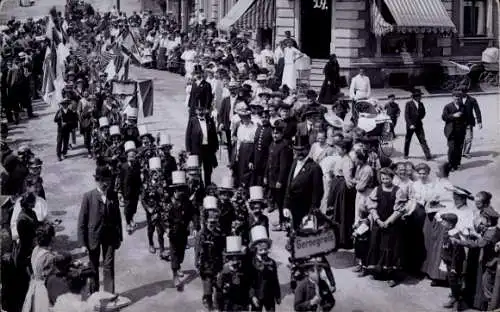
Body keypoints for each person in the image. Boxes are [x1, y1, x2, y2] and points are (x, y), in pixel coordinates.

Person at [77, 166, 123, 294]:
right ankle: (95, 295)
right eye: (102, 180)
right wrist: (82, 243)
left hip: (110, 237)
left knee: (109, 266)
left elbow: (118, 217)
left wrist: (119, 237)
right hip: (93, 238)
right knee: (93, 267)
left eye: (107, 180)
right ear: (96, 181)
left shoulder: (113, 195)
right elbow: (82, 221)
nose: (105, 183)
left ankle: (109, 294)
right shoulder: (88, 197)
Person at [366, 167, 406, 287]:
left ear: (392, 178)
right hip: (379, 224)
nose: (385, 180)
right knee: (376, 245)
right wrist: (377, 219)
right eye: (382, 178)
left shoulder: (398, 191)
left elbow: (399, 210)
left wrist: (388, 222)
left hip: (392, 225)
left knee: (390, 248)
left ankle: (392, 276)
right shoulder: (376, 189)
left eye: (387, 178)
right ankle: (378, 273)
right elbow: (372, 206)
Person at [166, 170, 200, 291]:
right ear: (174, 190)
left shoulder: (187, 201)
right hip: (173, 232)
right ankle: (175, 275)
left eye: (183, 189)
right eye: (179, 189)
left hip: (184, 231)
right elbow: (163, 217)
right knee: (174, 252)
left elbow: (194, 214)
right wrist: (166, 229)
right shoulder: (168, 202)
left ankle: (178, 265)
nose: (181, 192)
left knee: (181, 253)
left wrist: (195, 226)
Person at [284, 135, 324, 230]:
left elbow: (317, 193)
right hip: (292, 210)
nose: (299, 153)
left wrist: (311, 213)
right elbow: (289, 185)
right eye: (297, 150)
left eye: (302, 149)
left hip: (305, 211)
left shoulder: (314, 168)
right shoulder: (294, 162)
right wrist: (286, 205)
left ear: (308, 149)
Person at [195, 196, 224, 310]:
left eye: (215, 222)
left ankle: (217, 301)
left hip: (217, 264)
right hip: (205, 265)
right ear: (206, 221)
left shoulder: (219, 234)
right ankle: (207, 300)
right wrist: (197, 264)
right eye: (210, 222)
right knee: (207, 288)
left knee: (218, 286)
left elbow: (222, 249)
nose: (212, 225)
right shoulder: (201, 235)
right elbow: (197, 250)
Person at [327, 139, 356, 248]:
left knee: (340, 211)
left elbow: (348, 179)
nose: (337, 150)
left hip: (341, 187)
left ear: (344, 150)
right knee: (334, 211)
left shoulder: (347, 161)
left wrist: (351, 184)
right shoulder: (342, 158)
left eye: (338, 148)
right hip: (337, 184)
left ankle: (342, 238)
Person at [22, 222, 56, 312]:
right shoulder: (49, 257)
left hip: (34, 286)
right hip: (44, 290)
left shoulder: (35, 249)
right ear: (52, 238)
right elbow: (50, 278)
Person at [266, 120, 293, 231]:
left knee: (281, 202)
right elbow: (269, 162)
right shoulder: (272, 144)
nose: (275, 135)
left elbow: (284, 167)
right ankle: (281, 220)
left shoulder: (283, 146)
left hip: (278, 180)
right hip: (272, 178)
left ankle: (283, 223)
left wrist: (280, 180)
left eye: (277, 133)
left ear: (281, 134)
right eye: (273, 133)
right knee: (277, 202)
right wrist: (265, 176)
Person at [249, 225, 281, 312]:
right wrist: (252, 296)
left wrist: (277, 295)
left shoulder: (272, 262)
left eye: (265, 249)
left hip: (269, 296)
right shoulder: (251, 263)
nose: (264, 252)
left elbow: (275, 280)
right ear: (256, 250)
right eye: (261, 250)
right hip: (257, 295)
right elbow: (249, 282)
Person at [185, 104, 219, 186]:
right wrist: (188, 150)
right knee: (197, 169)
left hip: (208, 149)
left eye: (202, 110)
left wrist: (215, 147)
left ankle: (208, 186)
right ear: (196, 111)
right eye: (199, 110)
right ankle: (199, 187)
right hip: (197, 149)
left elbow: (214, 135)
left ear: (205, 111)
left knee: (208, 169)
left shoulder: (210, 120)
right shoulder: (192, 121)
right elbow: (188, 135)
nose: (200, 112)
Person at [439, 213, 467, 311]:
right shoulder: (448, 232)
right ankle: (454, 297)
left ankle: (456, 303)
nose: (442, 223)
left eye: (444, 221)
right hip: (448, 261)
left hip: (454, 264)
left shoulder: (454, 236)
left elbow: (456, 254)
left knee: (454, 282)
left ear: (450, 225)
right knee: (451, 281)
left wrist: (454, 268)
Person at [119, 141, 141, 234]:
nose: (132, 157)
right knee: (127, 208)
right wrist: (120, 192)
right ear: (127, 156)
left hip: (135, 190)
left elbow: (139, 177)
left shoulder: (137, 165)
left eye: (134, 155)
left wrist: (140, 189)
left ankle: (131, 217)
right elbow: (120, 180)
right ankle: (128, 223)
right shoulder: (123, 167)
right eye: (130, 156)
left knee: (134, 206)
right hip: (126, 191)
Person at [404, 89, 432, 160]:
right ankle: (406, 154)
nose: (420, 97)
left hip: (419, 125)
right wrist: (410, 124)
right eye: (419, 96)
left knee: (422, 139)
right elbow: (406, 115)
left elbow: (424, 112)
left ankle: (428, 155)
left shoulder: (421, 104)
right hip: (410, 126)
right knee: (408, 140)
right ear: (415, 97)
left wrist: (420, 116)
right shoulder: (409, 104)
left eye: (420, 96)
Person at [442, 91, 468, 171]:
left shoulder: (463, 106)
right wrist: (453, 115)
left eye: (459, 97)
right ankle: (451, 164)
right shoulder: (448, 106)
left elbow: (466, 117)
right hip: (451, 131)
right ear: (452, 97)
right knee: (452, 148)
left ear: (460, 98)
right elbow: (444, 117)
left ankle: (457, 163)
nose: (457, 98)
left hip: (460, 131)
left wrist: (466, 125)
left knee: (459, 148)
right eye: (455, 96)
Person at [461, 88, 482, 158]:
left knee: (469, 138)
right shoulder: (457, 99)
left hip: (469, 122)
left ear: (467, 92)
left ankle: (466, 153)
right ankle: (459, 152)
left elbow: (477, 111)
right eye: (461, 91)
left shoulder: (472, 100)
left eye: (464, 91)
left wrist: (479, 122)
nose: (462, 93)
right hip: (458, 122)